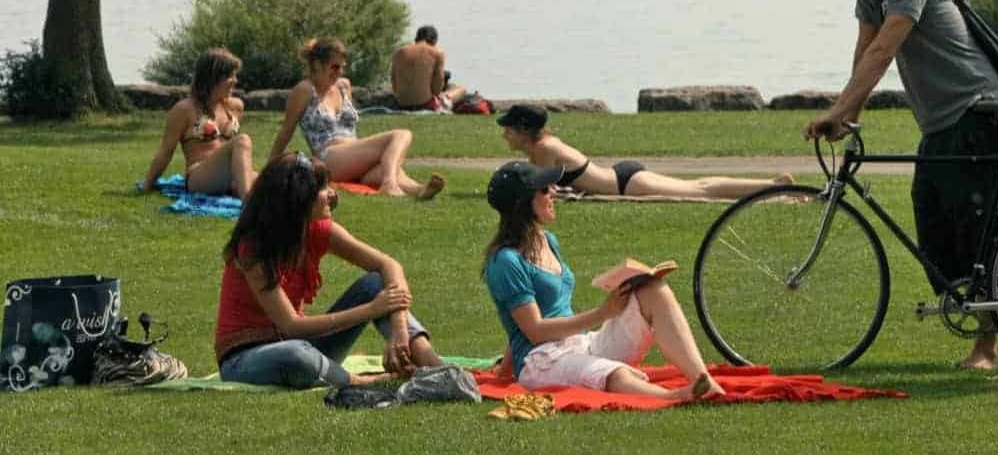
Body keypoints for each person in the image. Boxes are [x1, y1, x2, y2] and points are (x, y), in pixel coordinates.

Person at [802, 0, 998, 370]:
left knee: (976, 232)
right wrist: (850, 117)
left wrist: (837, 109)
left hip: (976, 112)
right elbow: (865, 52)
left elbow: (886, 49)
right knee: (935, 229)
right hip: (940, 123)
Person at [482, 160, 725, 400]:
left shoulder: (547, 240)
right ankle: (675, 396)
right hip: (542, 362)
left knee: (653, 288)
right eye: (544, 189)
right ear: (522, 204)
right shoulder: (506, 262)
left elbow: (517, 323)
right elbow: (533, 331)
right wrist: (603, 312)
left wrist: (502, 373)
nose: (553, 192)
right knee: (612, 374)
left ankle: (702, 379)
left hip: (580, 344)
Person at [215, 152, 444, 388]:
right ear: (299, 200)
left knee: (375, 283)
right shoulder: (253, 248)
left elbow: (389, 265)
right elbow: (291, 325)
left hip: (305, 344)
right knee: (296, 354)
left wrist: (399, 332)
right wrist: (371, 309)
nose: (332, 194)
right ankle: (362, 381)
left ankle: (434, 366)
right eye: (323, 189)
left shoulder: (318, 229)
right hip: (246, 359)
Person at [267, 37, 443, 199]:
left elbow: (349, 126)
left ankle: (418, 189)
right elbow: (286, 132)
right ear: (318, 64)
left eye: (342, 67)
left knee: (384, 166)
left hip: (353, 155)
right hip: (329, 157)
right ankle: (389, 183)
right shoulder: (305, 90)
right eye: (334, 67)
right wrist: (270, 169)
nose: (339, 72)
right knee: (401, 134)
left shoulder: (344, 86)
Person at [498, 104, 792, 199]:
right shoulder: (546, 143)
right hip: (622, 177)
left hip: (627, 184)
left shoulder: (543, 149)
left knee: (701, 190)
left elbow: (539, 192)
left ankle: (774, 188)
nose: (504, 134)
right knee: (700, 185)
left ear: (523, 130)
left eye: (508, 128)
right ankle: (772, 186)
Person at [141, 47, 257, 200]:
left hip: (232, 176)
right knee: (243, 140)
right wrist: (148, 184)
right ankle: (247, 202)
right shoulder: (184, 109)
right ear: (213, 78)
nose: (235, 81)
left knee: (276, 179)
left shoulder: (235, 106)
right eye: (230, 76)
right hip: (199, 177)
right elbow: (166, 151)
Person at [390, 24, 468, 112]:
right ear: (434, 40)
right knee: (461, 89)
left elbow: (394, 81)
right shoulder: (437, 53)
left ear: (416, 38)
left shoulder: (399, 52)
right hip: (424, 105)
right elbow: (437, 87)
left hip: (401, 104)